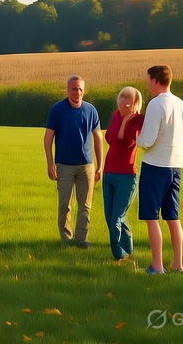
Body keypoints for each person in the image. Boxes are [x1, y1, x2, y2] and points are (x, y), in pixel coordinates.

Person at [136, 65, 183, 275]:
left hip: (155, 166)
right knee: (173, 217)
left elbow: (148, 140)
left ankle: (157, 266)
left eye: (149, 80)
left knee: (151, 217)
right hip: (176, 166)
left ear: (156, 80)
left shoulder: (156, 104)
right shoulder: (181, 104)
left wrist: (137, 139)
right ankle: (178, 264)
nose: (147, 84)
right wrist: (178, 159)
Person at [43, 75, 102, 248]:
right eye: (74, 89)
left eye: (80, 89)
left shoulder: (91, 110)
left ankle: (82, 240)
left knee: (85, 206)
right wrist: (50, 163)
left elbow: (98, 138)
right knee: (64, 205)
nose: (77, 92)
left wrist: (100, 166)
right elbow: (48, 139)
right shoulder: (57, 110)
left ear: (84, 91)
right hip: (64, 165)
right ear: (67, 90)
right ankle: (66, 239)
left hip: (87, 166)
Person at [102, 86, 144, 263]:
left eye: (128, 101)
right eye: (121, 99)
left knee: (116, 219)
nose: (123, 104)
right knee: (111, 216)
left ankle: (119, 256)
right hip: (109, 172)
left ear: (136, 104)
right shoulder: (115, 115)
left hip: (127, 176)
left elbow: (126, 141)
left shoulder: (138, 120)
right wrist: (122, 117)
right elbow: (111, 138)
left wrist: (127, 120)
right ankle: (128, 251)